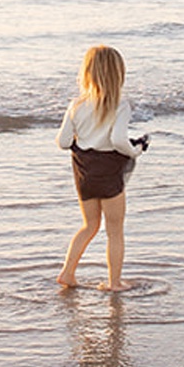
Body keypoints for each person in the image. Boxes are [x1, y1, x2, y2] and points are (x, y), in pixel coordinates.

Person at [55, 44, 147, 291]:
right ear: (118, 74)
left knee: (89, 226)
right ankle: (114, 282)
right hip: (108, 171)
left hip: (84, 172)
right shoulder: (120, 105)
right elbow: (118, 140)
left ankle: (68, 272)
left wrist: (82, 139)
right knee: (114, 230)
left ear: (86, 73)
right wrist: (135, 150)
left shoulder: (76, 105)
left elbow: (63, 142)